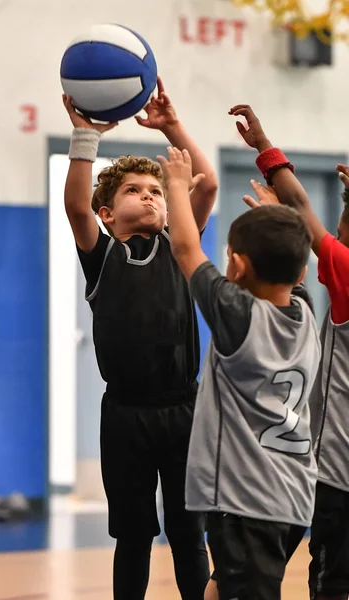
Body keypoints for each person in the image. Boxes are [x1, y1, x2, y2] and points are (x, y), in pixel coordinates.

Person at [62, 78, 218, 600]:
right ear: (109, 213)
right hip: (125, 415)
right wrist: (85, 136)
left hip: (183, 410)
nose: (149, 196)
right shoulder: (102, 254)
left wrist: (172, 126)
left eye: (155, 191)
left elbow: (207, 184)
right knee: (132, 537)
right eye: (133, 191)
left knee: (187, 534)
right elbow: (77, 208)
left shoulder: (181, 246)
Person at [157, 144, 321, 600]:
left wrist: (174, 183)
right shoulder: (304, 314)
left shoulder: (238, 315)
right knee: (223, 585)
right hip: (290, 497)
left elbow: (186, 247)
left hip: (246, 500)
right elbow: (296, 276)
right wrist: (280, 219)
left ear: (238, 265)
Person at [232, 103, 349, 600]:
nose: (338, 224)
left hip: (339, 479)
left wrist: (264, 148)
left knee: (330, 587)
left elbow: (301, 211)